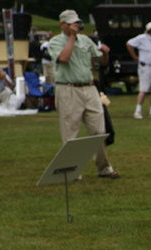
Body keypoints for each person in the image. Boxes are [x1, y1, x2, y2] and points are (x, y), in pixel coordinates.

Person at [47, 9, 120, 180]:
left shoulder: (86, 40)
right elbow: (63, 58)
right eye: (71, 23)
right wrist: (72, 37)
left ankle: (104, 168)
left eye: (77, 23)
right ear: (62, 25)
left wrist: (106, 53)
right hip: (68, 89)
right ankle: (72, 171)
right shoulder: (55, 42)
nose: (75, 26)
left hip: (89, 88)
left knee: (99, 130)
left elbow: (101, 61)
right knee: (70, 131)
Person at [126, 21, 151, 119]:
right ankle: (138, 111)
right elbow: (129, 44)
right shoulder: (142, 38)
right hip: (145, 67)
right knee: (143, 89)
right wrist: (135, 57)